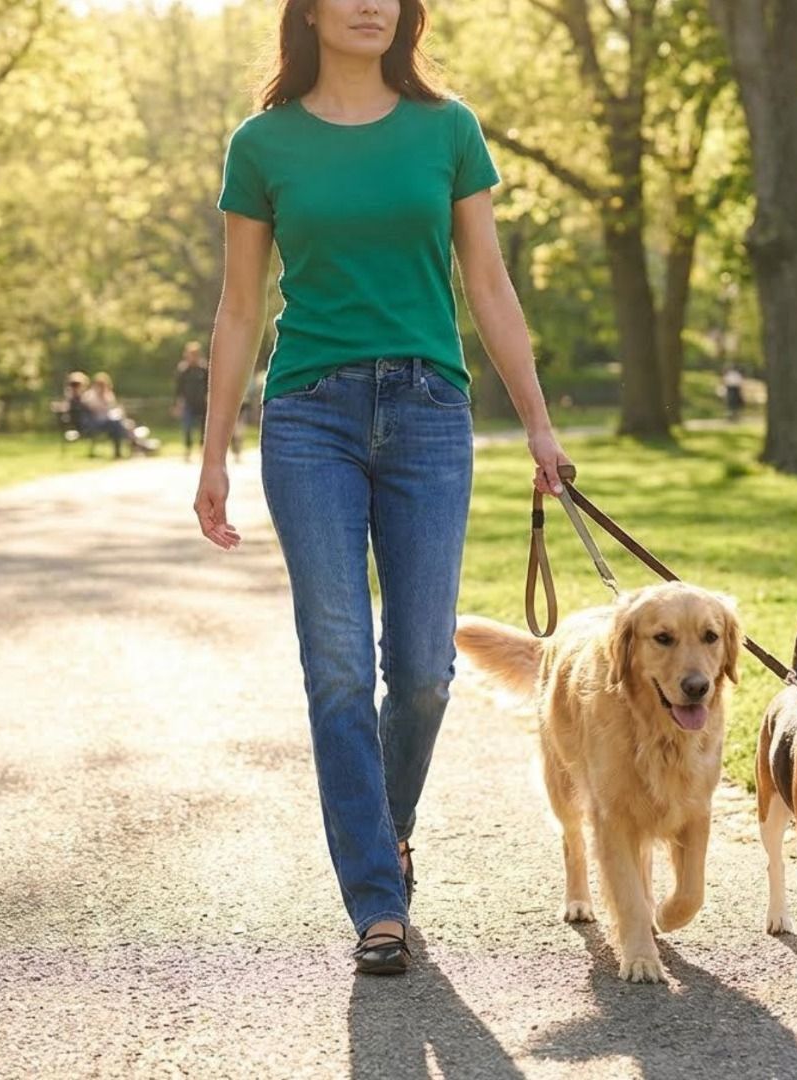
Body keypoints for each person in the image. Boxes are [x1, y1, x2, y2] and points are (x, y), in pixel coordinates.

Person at [193, 0, 570, 976]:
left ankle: (384, 830)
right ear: (309, 11)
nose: (372, 5)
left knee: (425, 671)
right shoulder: (262, 142)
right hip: (310, 413)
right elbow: (238, 307)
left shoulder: (447, 128)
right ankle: (376, 896)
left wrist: (536, 420)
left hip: (428, 413)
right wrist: (213, 451)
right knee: (336, 665)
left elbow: (488, 283)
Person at [81, 372, 160, 457]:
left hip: (110, 421)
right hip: (96, 422)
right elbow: (93, 410)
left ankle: (134, 446)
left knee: (126, 424)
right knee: (118, 425)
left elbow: (112, 408)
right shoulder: (90, 396)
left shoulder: (108, 394)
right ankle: (136, 445)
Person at [175, 342, 210, 462]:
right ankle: (187, 450)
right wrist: (178, 403)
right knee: (187, 427)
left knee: (203, 428)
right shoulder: (183, 370)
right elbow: (178, 388)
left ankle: (202, 450)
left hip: (202, 403)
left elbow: (209, 385)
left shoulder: (203, 369)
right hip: (188, 403)